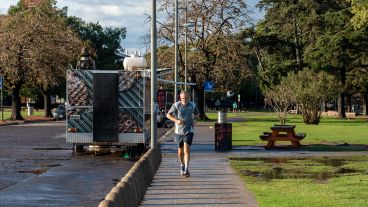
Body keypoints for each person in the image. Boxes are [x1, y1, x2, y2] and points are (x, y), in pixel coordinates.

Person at [166, 91, 200, 177]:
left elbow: (198, 114)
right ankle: (182, 165)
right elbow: (168, 115)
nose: (184, 100)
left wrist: (195, 119)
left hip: (189, 130)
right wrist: (176, 120)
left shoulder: (193, 105)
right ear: (180, 98)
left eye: (186, 98)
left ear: (189, 98)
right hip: (178, 132)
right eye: (182, 98)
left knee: (186, 150)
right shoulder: (176, 105)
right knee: (180, 152)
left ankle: (186, 169)